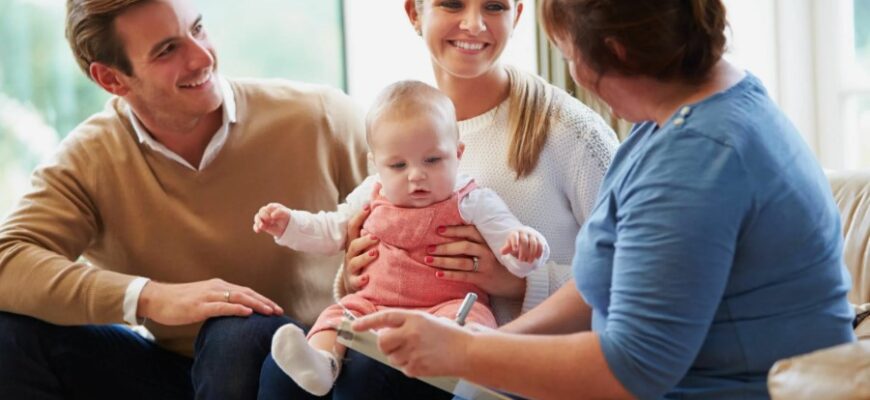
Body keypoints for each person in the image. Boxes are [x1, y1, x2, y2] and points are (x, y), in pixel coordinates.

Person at [350, 0, 857, 399]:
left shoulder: (696, 160)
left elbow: (632, 369)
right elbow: (604, 281)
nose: (572, 74)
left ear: (616, 52)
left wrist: (461, 353)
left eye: (570, 55)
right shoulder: (683, 111)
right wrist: (485, 343)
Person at [0, 0, 367, 398]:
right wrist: (150, 296)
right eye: (167, 50)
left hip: (312, 368)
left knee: (236, 334)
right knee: (9, 335)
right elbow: (8, 259)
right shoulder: (90, 159)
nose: (202, 57)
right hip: (176, 374)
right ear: (112, 79)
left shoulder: (320, 117)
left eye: (198, 29)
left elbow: (416, 210)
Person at [254, 80, 549, 396]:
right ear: (376, 166)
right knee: (337, 316)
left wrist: (525, 246)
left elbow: (509, 240)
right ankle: (322, 363)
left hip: (446, 308)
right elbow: (330, 230)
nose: (416, 175)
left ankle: (464, 374)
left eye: (432, 160)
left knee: (471, 323)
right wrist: (289, 225)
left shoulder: (471, 200)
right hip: (373, 305)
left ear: (458, 154)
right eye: (398, 165)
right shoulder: (371, 193)